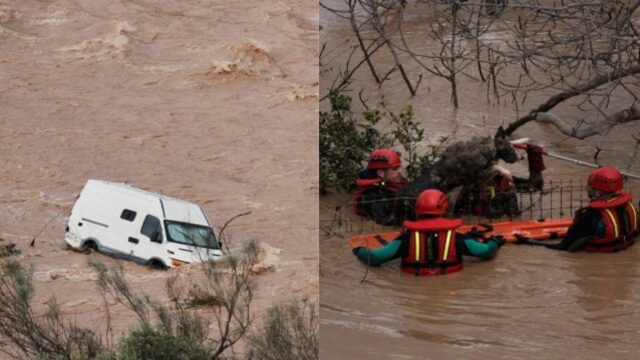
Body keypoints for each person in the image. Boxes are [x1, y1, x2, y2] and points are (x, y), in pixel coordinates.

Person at [352, 189, 505, 276]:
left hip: (413, 286)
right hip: (449, 286)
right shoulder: (458, 239)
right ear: (444, 209)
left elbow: (376, 258)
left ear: (418, 210)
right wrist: (495, 242)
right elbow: (487, 252)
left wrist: (359, 251)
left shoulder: (405, 239)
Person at [515, 166, 639, 252]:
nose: (587, 189)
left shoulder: (589, 217)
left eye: (589, 187)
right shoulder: (630, 207)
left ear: (597, 193)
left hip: (595, 262)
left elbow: (563, 248)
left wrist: (528, 241)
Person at [454, 142, 546, 218]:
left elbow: (534, 186)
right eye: (489, 159)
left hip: (506, 220)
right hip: (483, 221)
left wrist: (534, 158)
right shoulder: (469, 181)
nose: (493, 161)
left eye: (495, 159)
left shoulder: (502, 178)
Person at [353, 149, 407, 226]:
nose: (400, 171)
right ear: (381, 173)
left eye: (399, 167)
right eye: (394, 169)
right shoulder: (371, 195)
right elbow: (384, 221)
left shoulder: (390, 181)